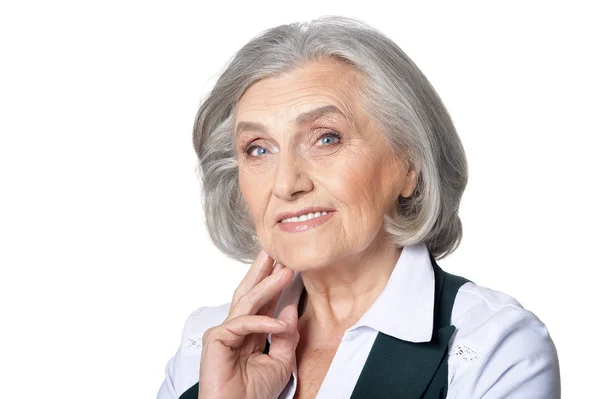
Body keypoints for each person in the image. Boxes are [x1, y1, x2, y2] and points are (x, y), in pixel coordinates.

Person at [157, 16, 560, 399]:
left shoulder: (492, 344)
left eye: (326, 138)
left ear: (409, 165)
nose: (285, 184)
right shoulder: (207, 340)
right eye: (258, 149)